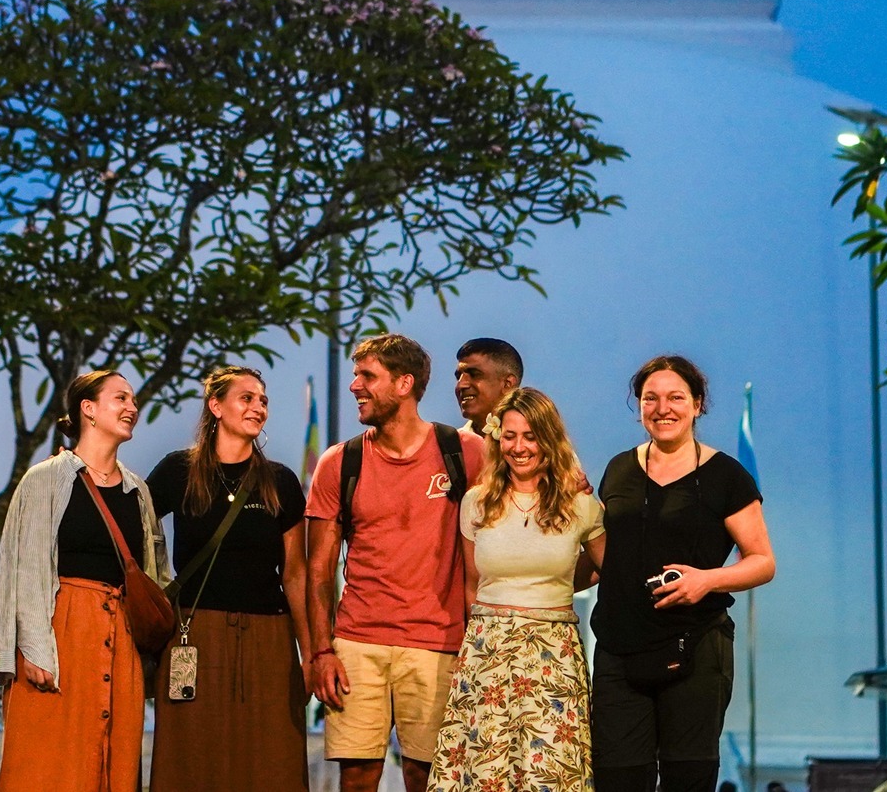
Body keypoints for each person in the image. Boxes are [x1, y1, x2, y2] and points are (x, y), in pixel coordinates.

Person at [307, 333, 486, 792]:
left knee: (426, 776)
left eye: (367, 376)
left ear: (404, 383)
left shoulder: (464, 453)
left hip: (438, 642)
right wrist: (321, 651)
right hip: (356, 644)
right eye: (354, 376)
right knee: (357, 776)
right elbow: (319, 570)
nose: (354, 387)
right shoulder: (339, 462)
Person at [589, 355, 775, 792]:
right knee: (617, 779)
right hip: (619, 648)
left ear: (697, 404)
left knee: (687, 777)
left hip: (696, 648)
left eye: (675, 397)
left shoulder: (726, 475)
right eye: (650, 398)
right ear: (639, 406)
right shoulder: (618, 468)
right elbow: (606, 556)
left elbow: (763, 561)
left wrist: (706, 579)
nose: (662, 408)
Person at [0, 370, 165, 792]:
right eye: (120, 398)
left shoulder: (137, 490)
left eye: (133, 400)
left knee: (113, 758)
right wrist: (32, 647)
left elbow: (154, 571)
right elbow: (22, 566)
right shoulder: (46, 478)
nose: (132, 408)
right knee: (49, 761)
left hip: (118, 634)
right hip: (61, 629)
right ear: (88, 409)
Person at [144, 366, 313, 792]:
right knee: (191, 757)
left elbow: (295, 573)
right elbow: (136, 540)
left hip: (270, 636)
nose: (258, 407)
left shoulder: (281, 481)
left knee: (272, 760)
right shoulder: (177, 471)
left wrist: (309, 653)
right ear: (216, 406)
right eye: (247, 398)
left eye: (263, 400)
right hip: (196, 633)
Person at [429, 387, 605, 792]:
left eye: (531, 436)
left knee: (551, 775)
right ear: (497, 438)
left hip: (553, 656)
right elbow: (472, 586)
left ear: (550, 439)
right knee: (485, 774)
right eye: (510, 436)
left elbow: (607, 570)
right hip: (486, 654)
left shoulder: (582, 507)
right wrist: (466, 657)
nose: (520, 447)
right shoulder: (476, 503)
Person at [453, 339, 524, 435]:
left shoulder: (540, 445)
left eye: (475, 374)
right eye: (458, 377)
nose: (460, 385)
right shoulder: (446, 447)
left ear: (508, 384)